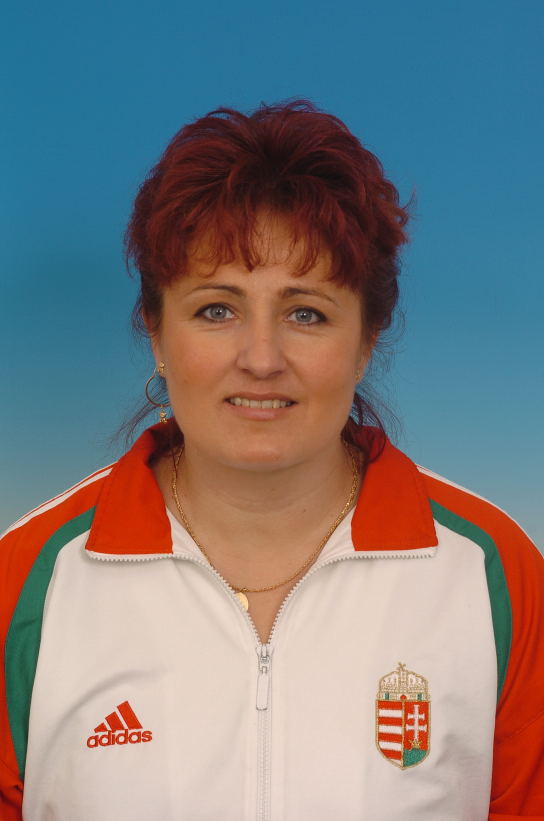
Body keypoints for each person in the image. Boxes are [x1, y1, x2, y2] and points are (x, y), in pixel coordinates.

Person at [1, 100, 543, 821]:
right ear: (156, 333)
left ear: (367, 340)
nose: (261, 358)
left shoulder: (493, 573)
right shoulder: (27, 579)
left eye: (305, 312)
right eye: (217, 310)